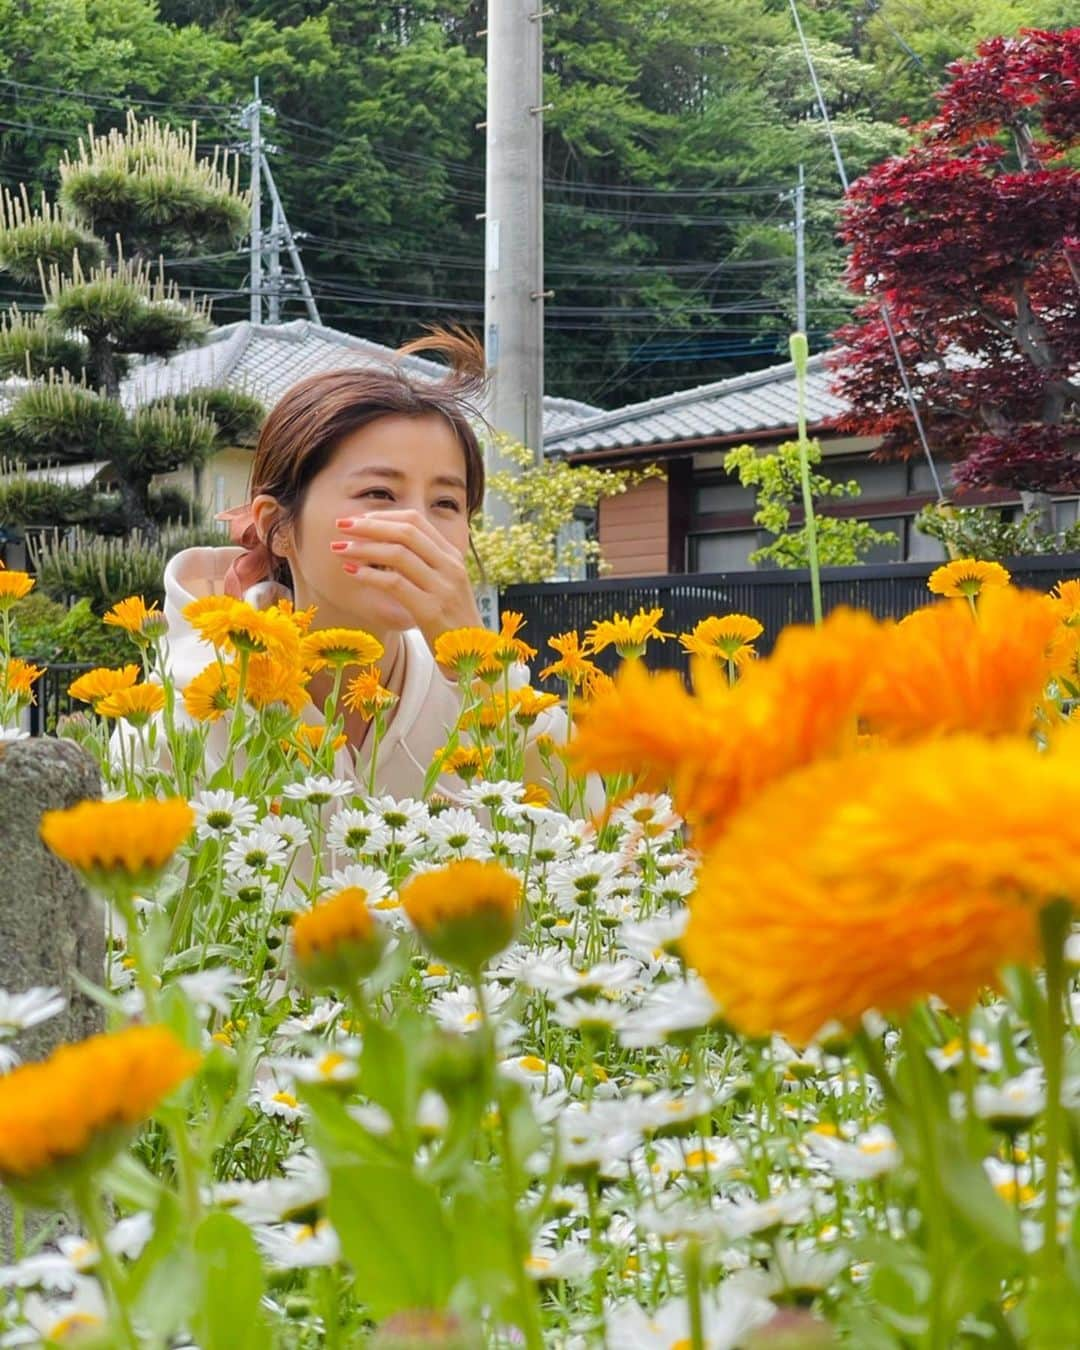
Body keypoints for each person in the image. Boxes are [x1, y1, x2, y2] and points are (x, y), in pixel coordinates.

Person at [161, 328, 571, 800]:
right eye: (379, 494)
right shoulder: (194, 702)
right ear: (278, 527)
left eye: (445, 503)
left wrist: (478, 666)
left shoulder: (478, 694)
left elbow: (589, 839)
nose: (416, 529)